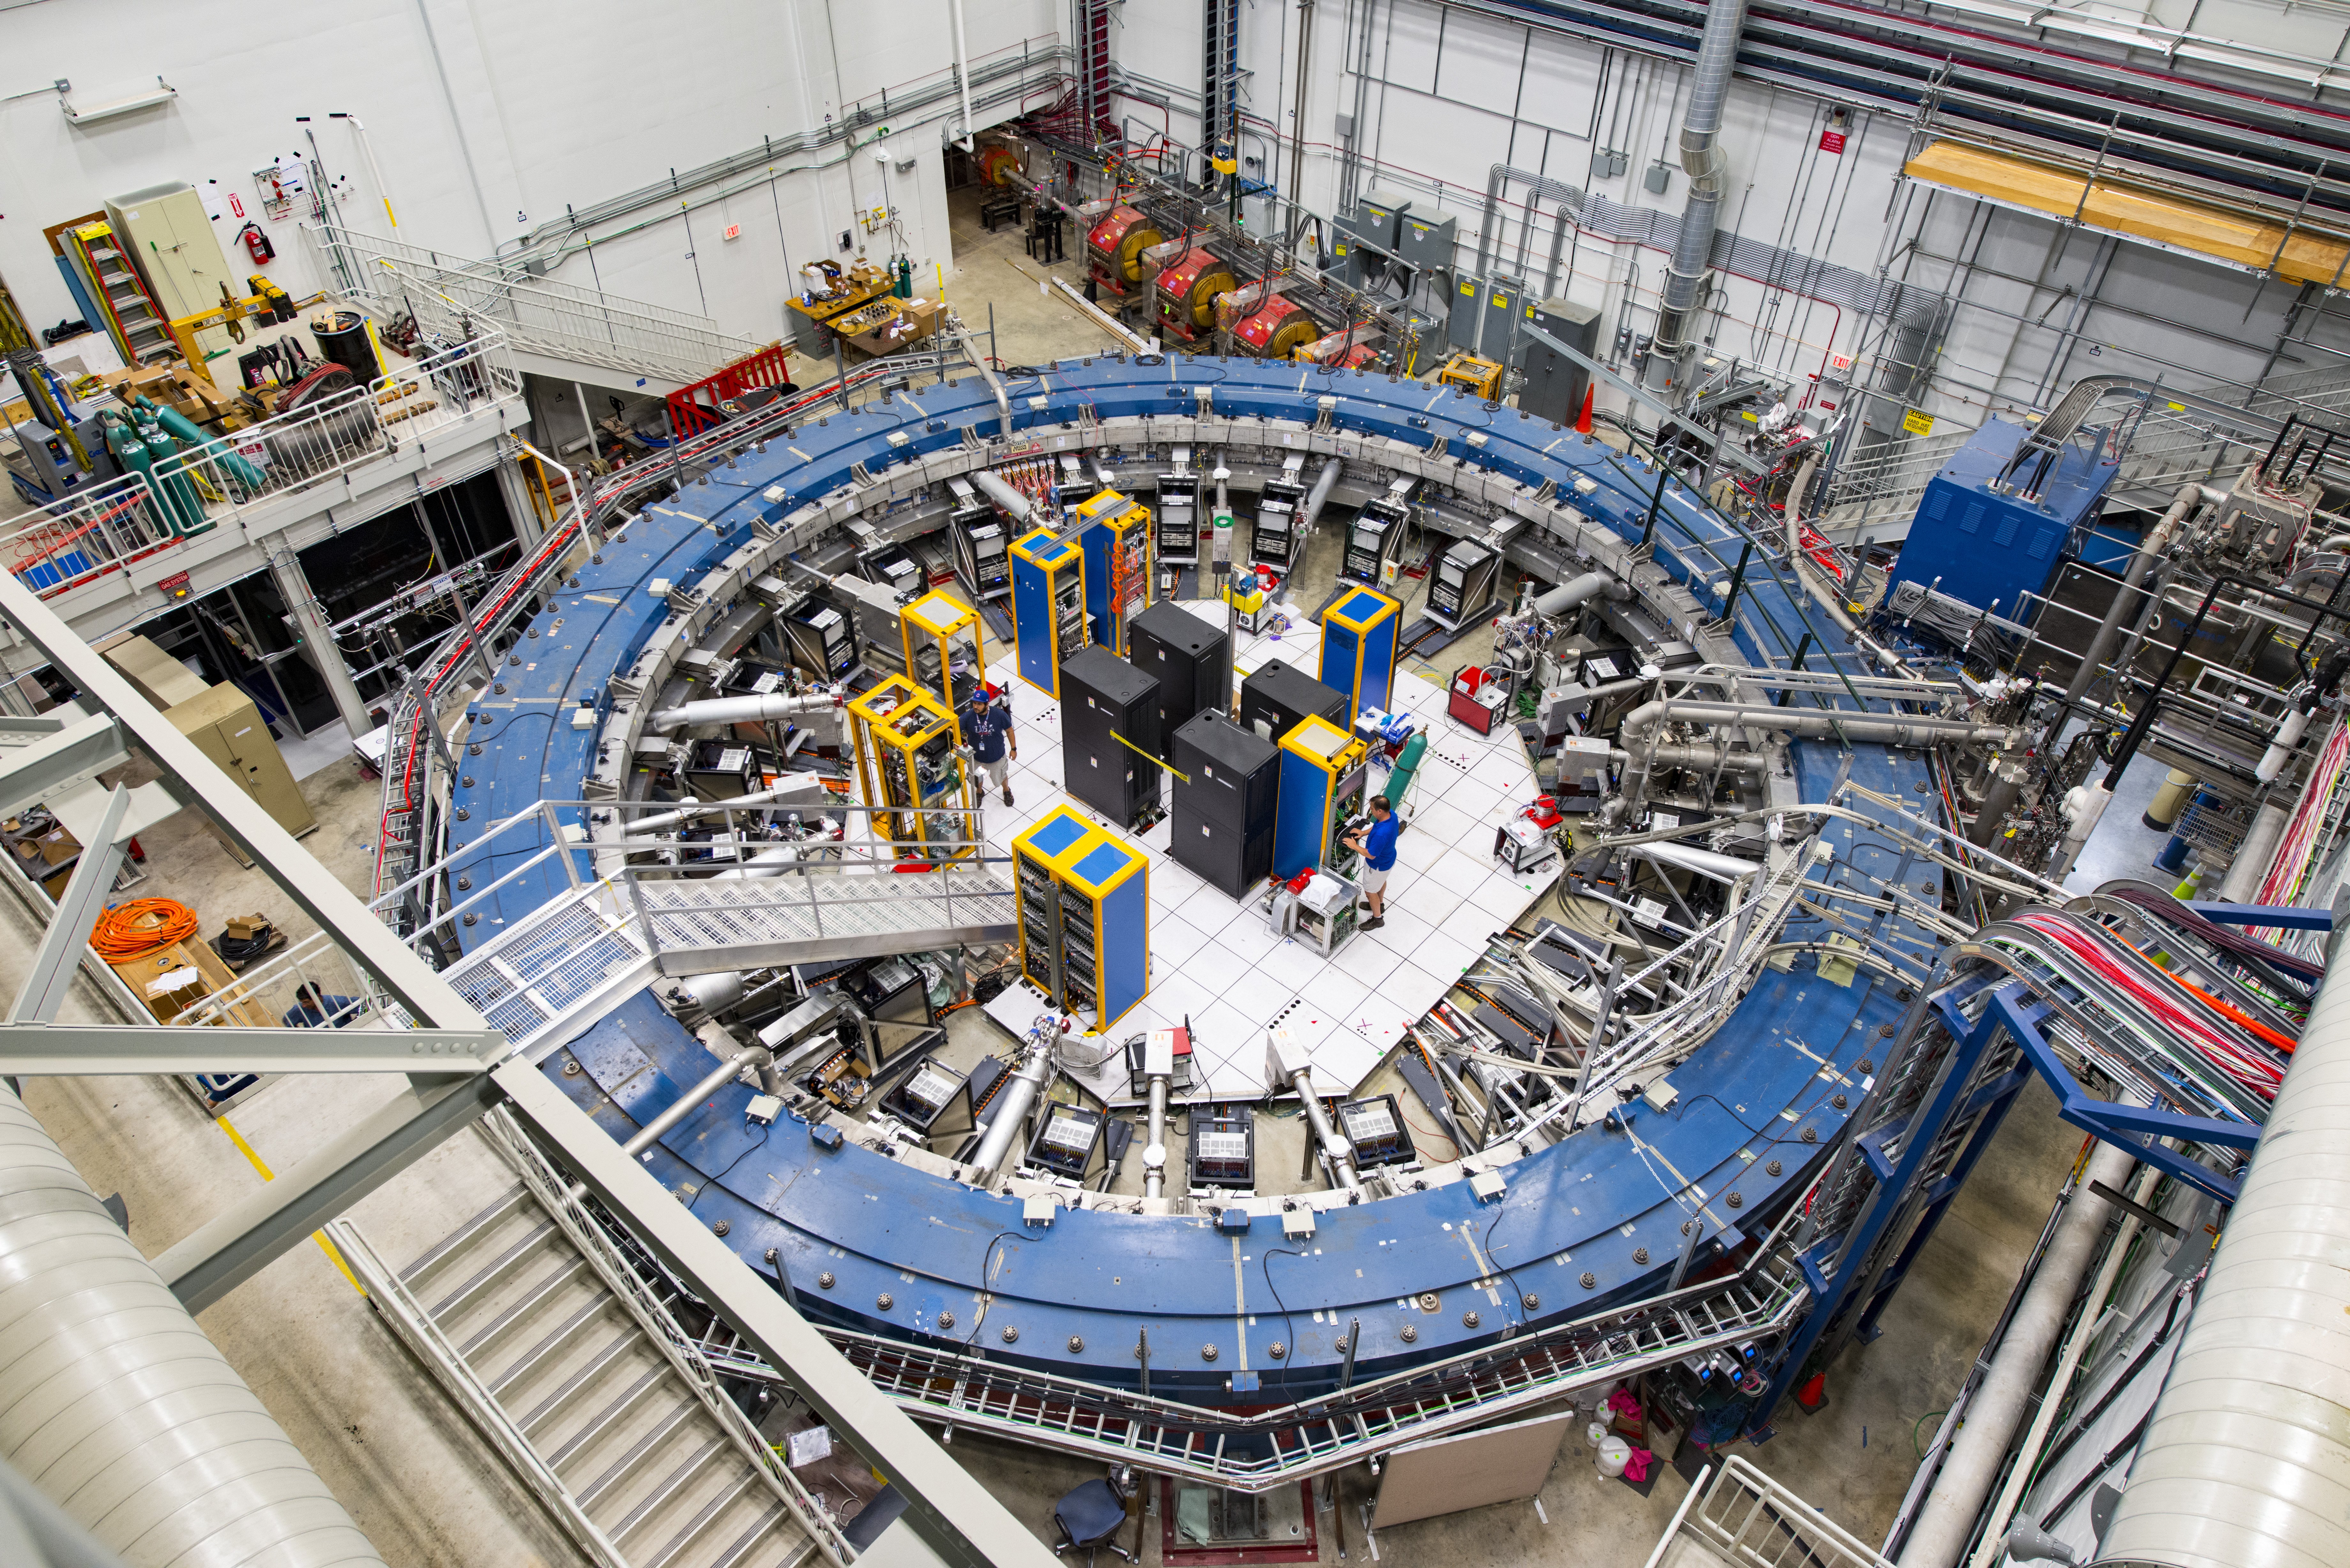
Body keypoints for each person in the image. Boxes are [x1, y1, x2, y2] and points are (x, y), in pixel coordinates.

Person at [1343, 795, 1401, 931]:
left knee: (1370, 891)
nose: (1371, 811)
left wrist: (1354, 846)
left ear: (1380, 811)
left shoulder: (1382, 834)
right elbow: (1376, 827)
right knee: (1380, 882)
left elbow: (1371, 855)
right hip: (1389, 860)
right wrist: (1363, 833)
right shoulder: (1391, 815)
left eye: (1372, 809)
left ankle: (1377, 919)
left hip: (1377, 866)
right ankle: (1379, 904)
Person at [967, 688, 1017, 807]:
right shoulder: (969, 716)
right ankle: (980, 792)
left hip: (997, 758)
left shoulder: (999, 715)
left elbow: (1009, 731)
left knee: (1000, 778)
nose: (976, 706)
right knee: (978, 778)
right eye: (974, 703)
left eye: (979, 704)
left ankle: (1006, 791)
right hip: (978, 759)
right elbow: (956, 728)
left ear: (987, 704)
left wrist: (1014, 749)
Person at [284, 981, 356, 1029]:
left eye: (306, 1002)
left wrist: (355, 1024)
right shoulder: (300, 1010)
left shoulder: (338, 1002)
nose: (304, 1006)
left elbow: (364, 1004)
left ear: (317, 997)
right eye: (302, 1002)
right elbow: (287, 1020)